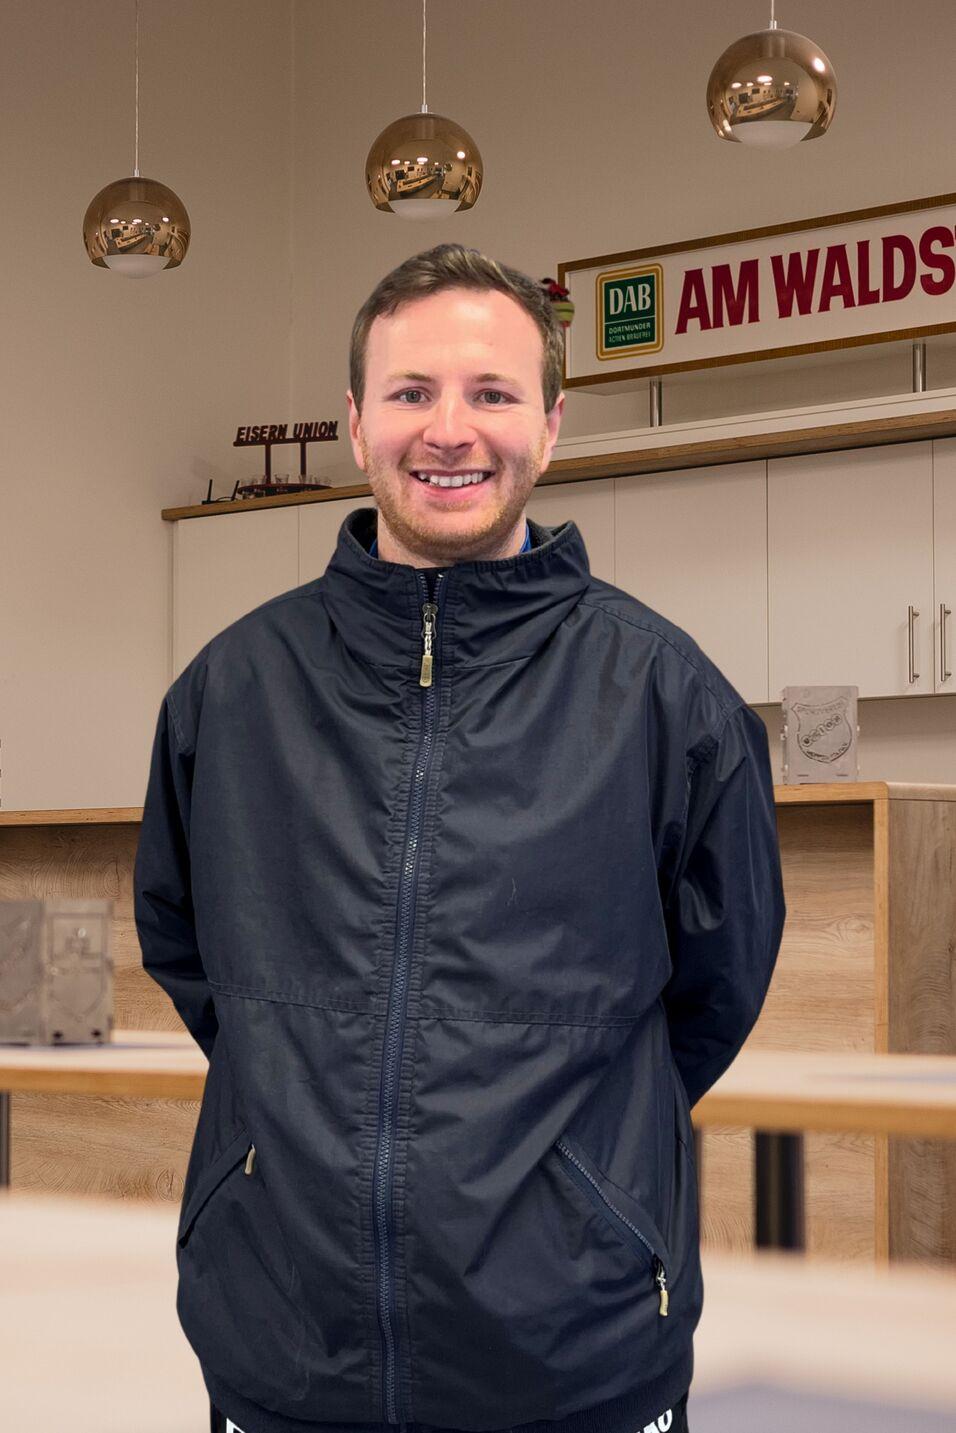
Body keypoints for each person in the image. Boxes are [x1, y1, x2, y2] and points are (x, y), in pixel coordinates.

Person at [135, 242, 787, 1433]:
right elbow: (191, 955)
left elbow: (717, 983)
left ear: (549, 423)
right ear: (354, 422)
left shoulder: (663, 696)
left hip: (577, 1356)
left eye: (491, 392)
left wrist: (584, 1180)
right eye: (410, 391)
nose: (449, 430)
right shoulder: (231, 692)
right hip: (285, 1349)